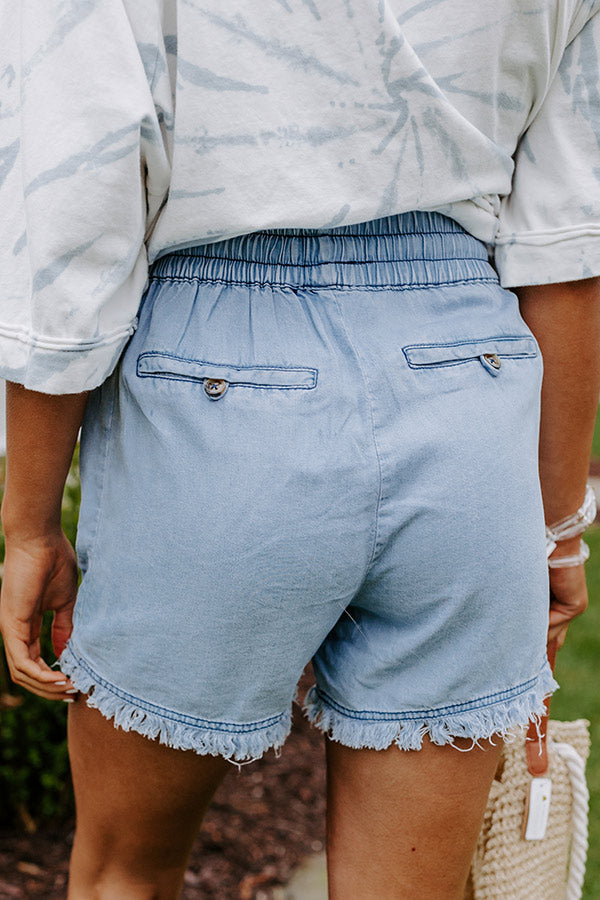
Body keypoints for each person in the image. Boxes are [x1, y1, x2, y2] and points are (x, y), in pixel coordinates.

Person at [0, 1, 599, 897]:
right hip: (464, 377)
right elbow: (565, 248)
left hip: (215, 387)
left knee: (124, 874)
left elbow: (71, 214)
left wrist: (29, 527)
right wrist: (555, 526)